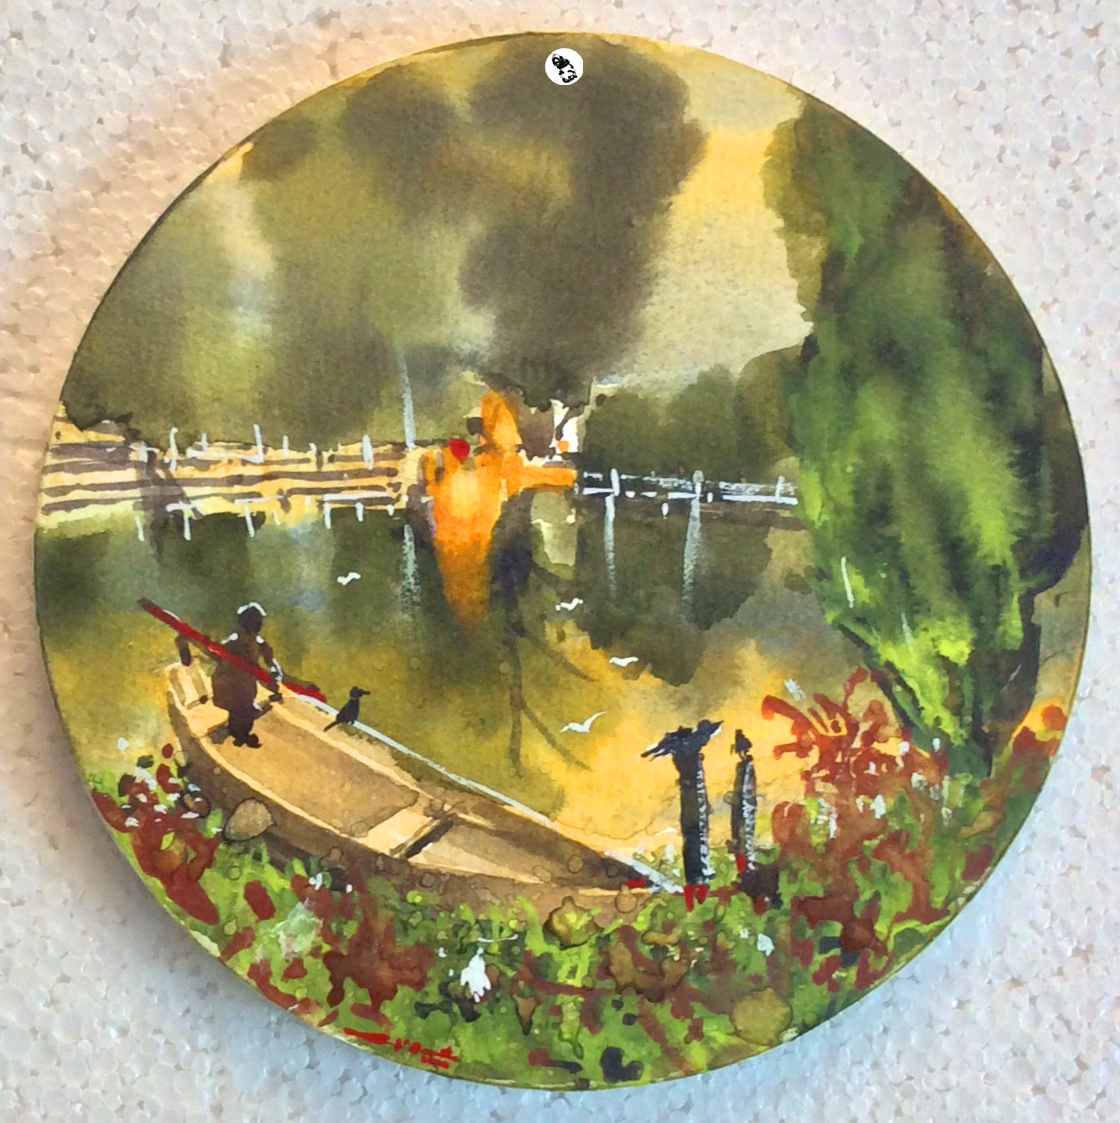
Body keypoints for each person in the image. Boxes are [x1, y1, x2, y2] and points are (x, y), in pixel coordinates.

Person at [210, 602, 281, 748]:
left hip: (246, 686)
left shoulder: (259, 643)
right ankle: (237, 732)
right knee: (239, 709)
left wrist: (275, 673)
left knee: (245, 710)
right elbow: (217, 655)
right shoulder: (233, 641)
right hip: (229, 684)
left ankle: (240, 732)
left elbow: (271, 661)